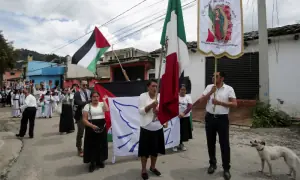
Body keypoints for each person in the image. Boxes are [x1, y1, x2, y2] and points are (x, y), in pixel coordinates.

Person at [196, 72, 237, 180]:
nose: (213, 77)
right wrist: (210, 92)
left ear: (222, 78)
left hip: (222, 119)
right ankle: (212, 164)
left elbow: (234, 104)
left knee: (224, 144)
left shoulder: (229, 89)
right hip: (210, 118)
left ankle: (226, 168)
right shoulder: (209, 87)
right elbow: (201, 100)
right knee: (210, 142)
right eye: (213, 75)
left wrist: (220, 103)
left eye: (216, 76)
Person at [138, 79, 165, 180]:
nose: (155, 88)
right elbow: (141, 111)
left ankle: (153, 167)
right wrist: (151, 106)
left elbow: (164, 110)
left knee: (155, 150)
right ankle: (144, 170)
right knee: (144, 151)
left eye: (156, 86)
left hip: (158, 127)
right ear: (148, 87)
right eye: (153, 86)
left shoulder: (160, 96)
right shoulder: (142, 96)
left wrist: (159, 111)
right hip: (146, 128)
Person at [82, 91, 109, 172]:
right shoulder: (87, 106)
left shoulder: (101, 104)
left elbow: (107, 109)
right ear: (91, 98)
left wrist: (104, 100)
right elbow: (84, 119)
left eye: (97, 96)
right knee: (92, 145)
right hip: (91, 126)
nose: (95, 98)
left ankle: (100, 160)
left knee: (101, 144)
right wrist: (92, 126)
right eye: (94, 97)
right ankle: (92, 163)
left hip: (102, 126)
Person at [173, 84, 193, 152]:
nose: (183, 91)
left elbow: (190, 106)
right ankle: (175, 144)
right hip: (176, 117)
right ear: (179, 90)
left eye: (184, 90)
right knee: (176, 131)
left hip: (185, 117)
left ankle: (181, 144)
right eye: (181, 89)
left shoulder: (188, 97)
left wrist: (183, 113)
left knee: (183, 132)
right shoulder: (176, 97)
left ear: (186, 91)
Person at [74, 81, 91, 157]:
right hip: (80, 116)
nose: (85, 86)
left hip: (89, 115)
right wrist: (89, 101)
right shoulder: (77, 94)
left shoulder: (90, 92)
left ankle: (88, 148)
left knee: (90, 133)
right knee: (80, 133)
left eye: (86, 85)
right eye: (83, 85)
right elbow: (79, 103)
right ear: (80, 85)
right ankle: (79, 149)